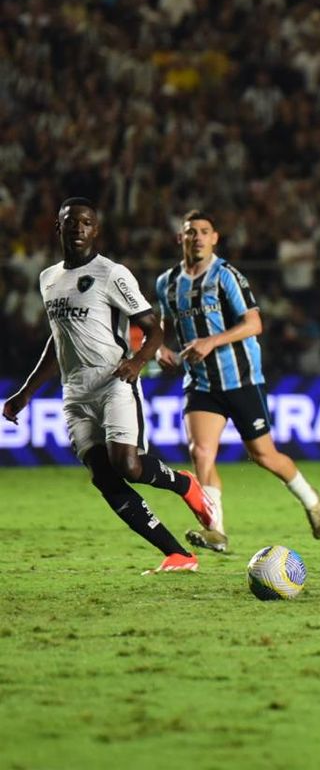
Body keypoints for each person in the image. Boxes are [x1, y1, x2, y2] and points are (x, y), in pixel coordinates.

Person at [2, 198, 213, 574]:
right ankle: (179, 554)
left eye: (86, 222)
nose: (79, 228)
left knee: (127, 465)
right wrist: (27, 391)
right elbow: (58, 339)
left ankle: (185, 485)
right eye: (72, 221)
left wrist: (136, 362)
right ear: (59, 227)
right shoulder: (48, 278)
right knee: (103, 476)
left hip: (115, 381)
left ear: (95, 230)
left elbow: (153, 328)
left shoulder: (112, 274)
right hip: (75, 394)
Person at [154, 209, 320, 553]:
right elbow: (163, 324)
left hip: (241, 380)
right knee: (201, 452)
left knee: (264, 455)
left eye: (205, 231)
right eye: (191, 232)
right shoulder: (167, 283)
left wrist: (210, 341)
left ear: (215, 238)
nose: (198, 237)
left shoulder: (226, 276)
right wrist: (160, 349)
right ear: (181, 238)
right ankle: (216, 531)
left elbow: (254, 324)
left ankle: (311, 501)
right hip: (201, 383)